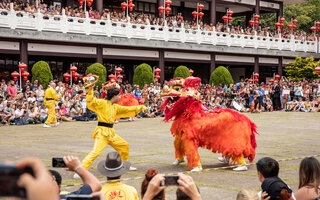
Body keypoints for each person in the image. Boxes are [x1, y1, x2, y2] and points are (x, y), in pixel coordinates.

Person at [78, 85, 146, 178]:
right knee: (95, 152)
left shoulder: (115, 107)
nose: (120, 97)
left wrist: (139, 107)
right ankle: (80, 171)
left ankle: (124, 165)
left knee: (124, 145)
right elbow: (91, 102)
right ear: (114, 96)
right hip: (102, 132)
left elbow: (127, 109)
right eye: (119, 95)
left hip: (111, 133)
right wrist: (90, 90)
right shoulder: (102, 103)